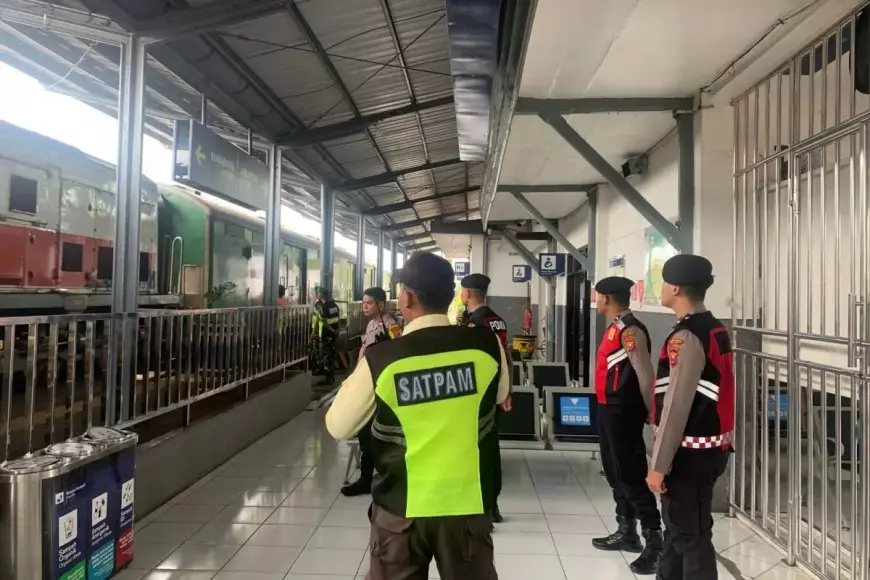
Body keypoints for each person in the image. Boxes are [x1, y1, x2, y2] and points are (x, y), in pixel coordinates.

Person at [326, 252, 509, 580]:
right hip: (466, 506)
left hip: (401, 508)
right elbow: (497, 394)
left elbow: (338, 425)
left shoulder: (383, 358)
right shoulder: (487, 345)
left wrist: (362, 370)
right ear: (452, 295)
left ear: (406, 297)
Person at [647, 254, 734, 580]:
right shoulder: (714, 328)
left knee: (690, 538)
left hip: (689, 455)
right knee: (678, 532)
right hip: (710, 449)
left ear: (675, 287)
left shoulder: (687, 336)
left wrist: (658, 465)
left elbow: (676, 405)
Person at [590, 276, 663, 575]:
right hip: (608, 409)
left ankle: (655, 541)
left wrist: (653, 412)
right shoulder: (615, 327)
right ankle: (626, 531)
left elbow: (645, 375)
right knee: (614, 472)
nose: (596, 302)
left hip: (623, 411)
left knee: (630, 475)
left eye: (597, 297)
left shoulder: (630, 331)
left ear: (606, 298)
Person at [341, 286, 402, 498]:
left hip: (380, 389)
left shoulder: (390, 326)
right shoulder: (371, 324)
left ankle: (373, 479)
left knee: (374, 436)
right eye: (364, 303)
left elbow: (398, 351)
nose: (365, 307)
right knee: (365, 436)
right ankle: (366, 478)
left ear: (381, 305)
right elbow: (364, 350)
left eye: (369, 303)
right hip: (367, 384)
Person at [460, 273, 511, 524]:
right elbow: (506, 357)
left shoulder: (474, 323)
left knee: (477, 449)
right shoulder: (497, 320)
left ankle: (483, 505)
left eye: (462, 291)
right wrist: (507, 390)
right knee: (491, 447)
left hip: (476, 395)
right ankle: (493, 505)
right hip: (494, 393)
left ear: (468, 294)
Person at [311, 285, 341, 386]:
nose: (316, 295)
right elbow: (339, 319)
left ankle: (329, 378)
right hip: (333, 334)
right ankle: (324, 372)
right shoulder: (333, 305)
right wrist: (337, 331)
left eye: (317, 293)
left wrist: (313, 332)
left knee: (325, 356)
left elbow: (322, 321)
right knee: (330, 354)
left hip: (324, 334)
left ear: (321, 294)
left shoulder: (319, 306)